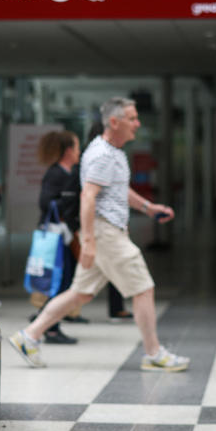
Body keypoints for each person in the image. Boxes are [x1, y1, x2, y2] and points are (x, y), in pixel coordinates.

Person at [9, 97, 189, 372]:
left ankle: (29, 336)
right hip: (106, 233)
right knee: (143, 288)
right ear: (114, 122)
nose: (137, 123)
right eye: (132, 118)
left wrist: (147, 207)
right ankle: (153, 352)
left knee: (80, 293)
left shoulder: (113, 152)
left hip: (108, 231)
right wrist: (90, 241)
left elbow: (116, 190)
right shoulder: (103, 154)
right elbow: (88, 198)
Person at [34, 130, 82, 344]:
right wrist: (70, 200)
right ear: (69, 151)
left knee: (65, 280)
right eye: (77, 147)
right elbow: (46, 202)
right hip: (56, 235)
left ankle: (46, 321)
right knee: (59, 281)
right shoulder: (56, 174)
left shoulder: (68, 172)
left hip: (64, 235)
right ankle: (50, 327)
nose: (79, 152)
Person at [86, 121, 132, 322]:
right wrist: (87, 235)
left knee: (79, 288)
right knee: (142, 285)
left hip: (107, 226)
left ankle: (33, 332)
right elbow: (89, 197)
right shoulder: (101, 158)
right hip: (104, 227)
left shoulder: (106, 157)